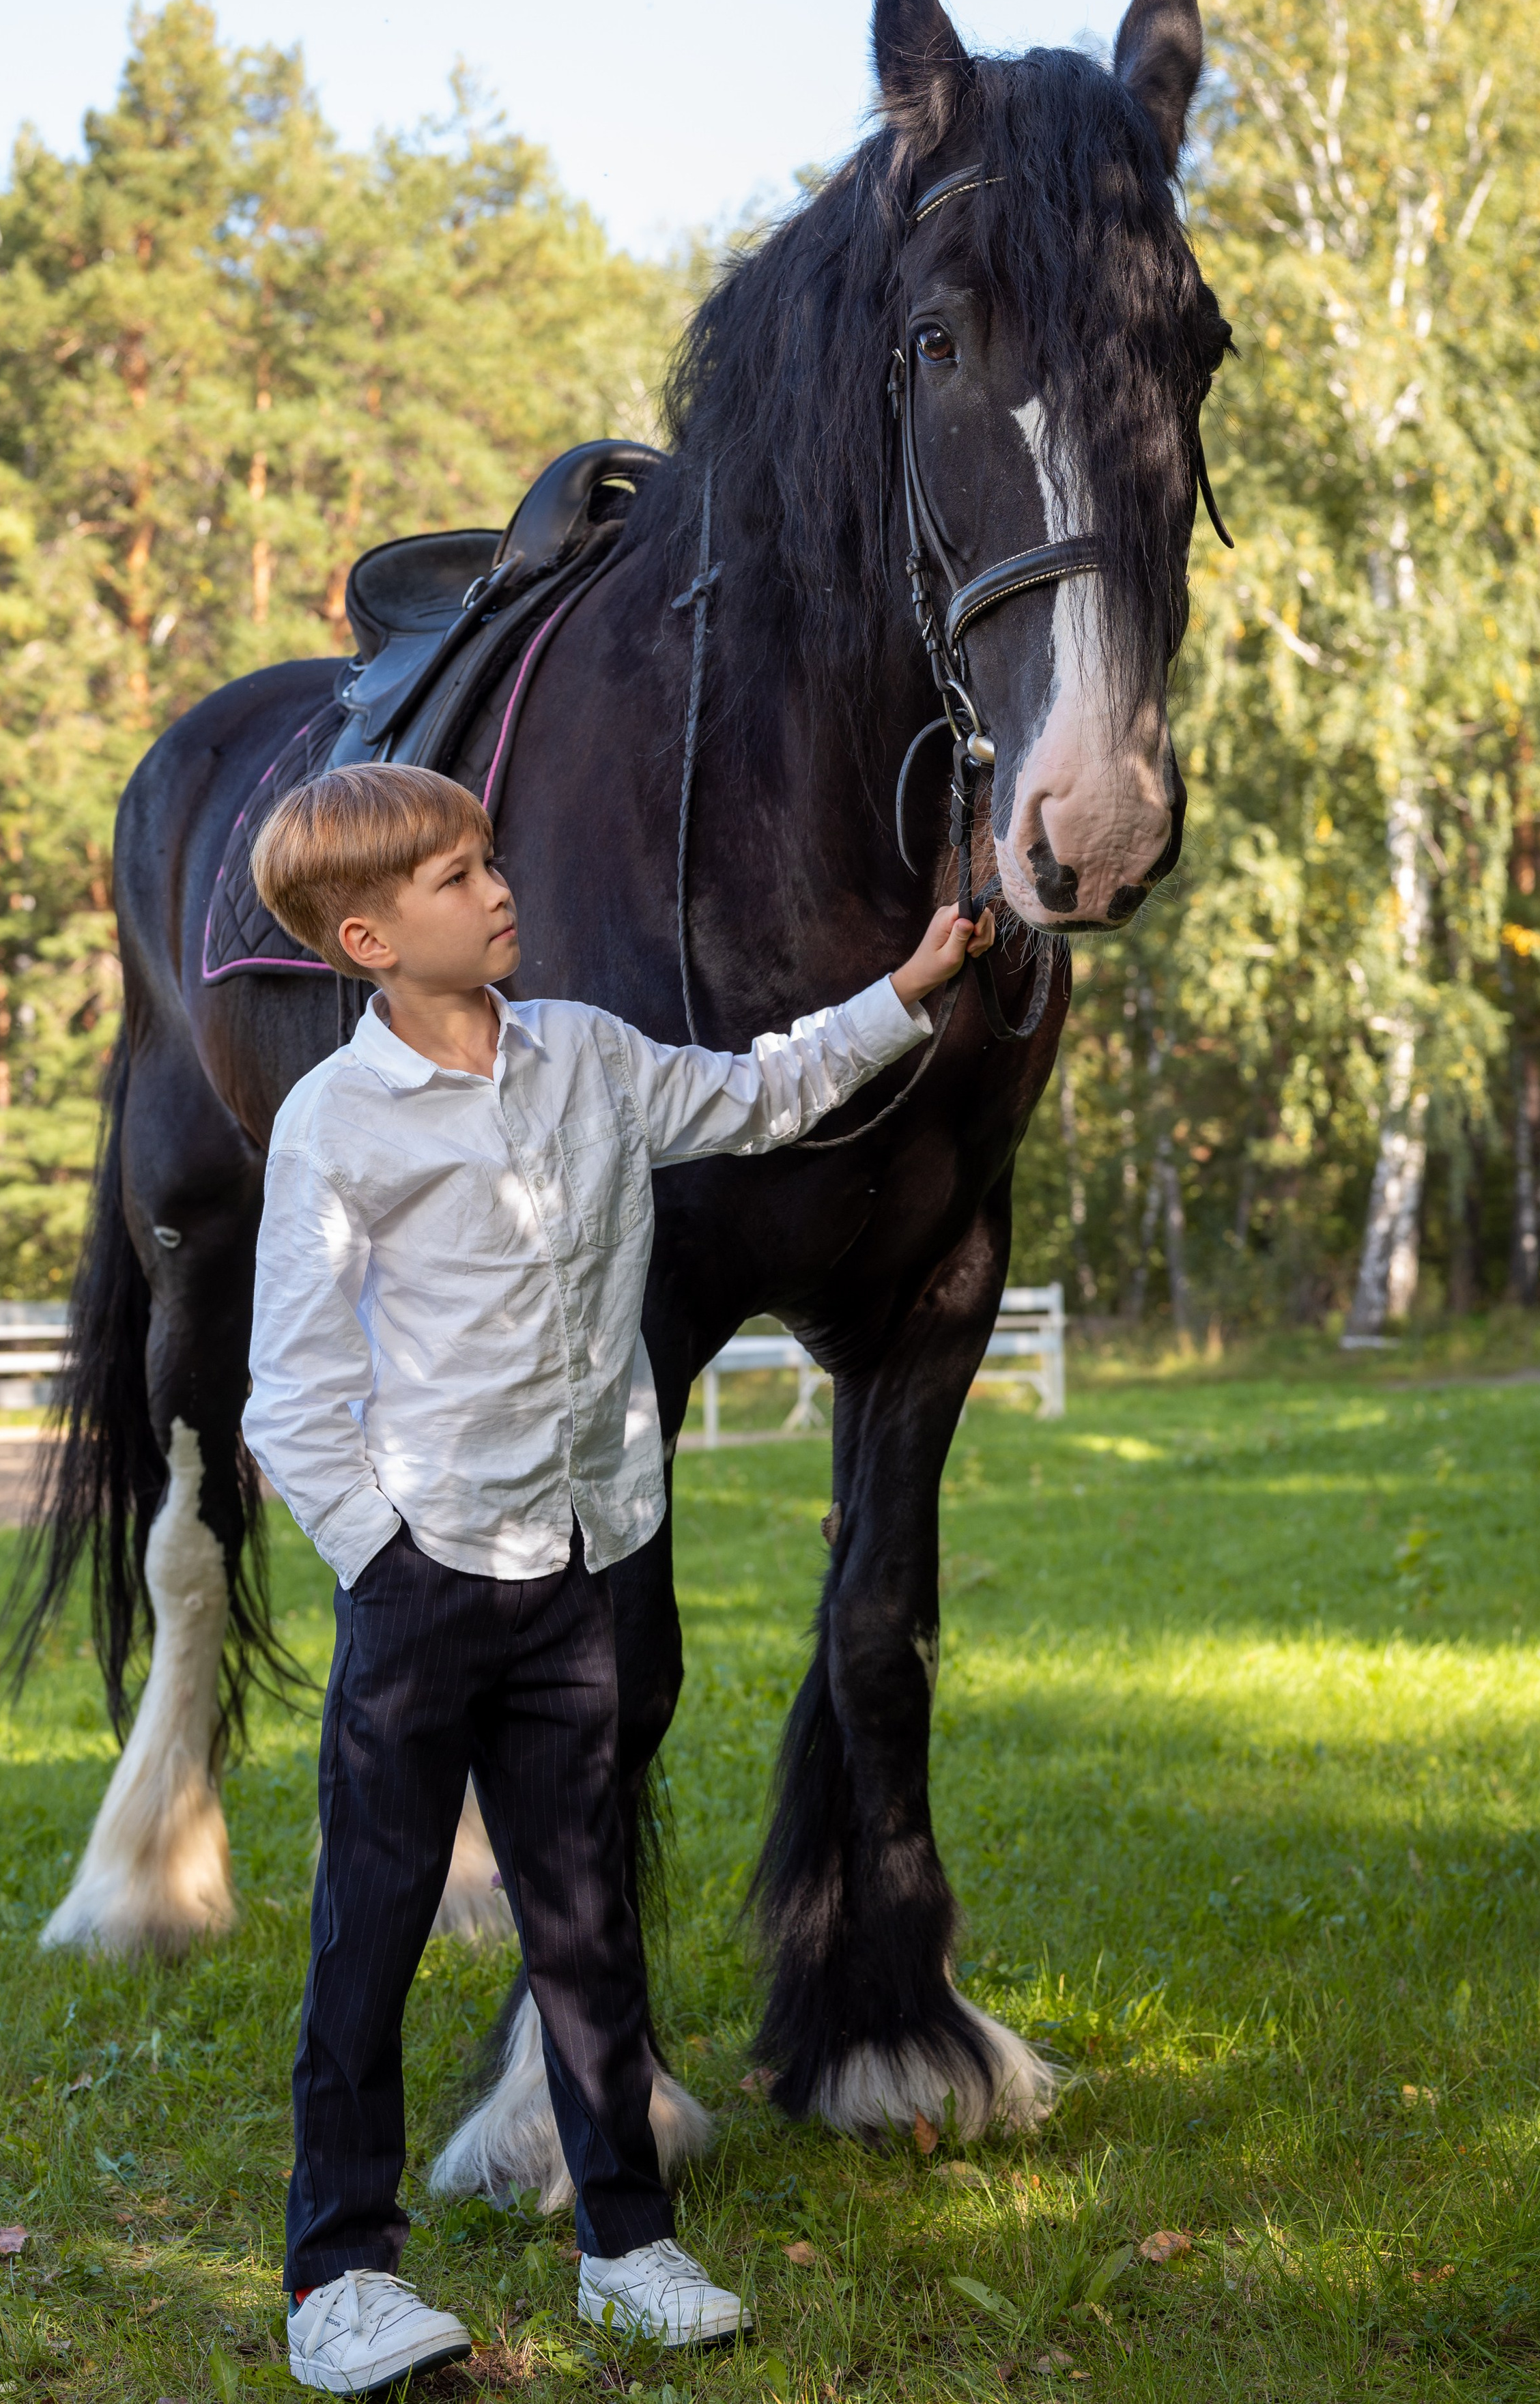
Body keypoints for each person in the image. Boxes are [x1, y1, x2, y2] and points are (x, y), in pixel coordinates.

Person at [243, 762, 987, 2394]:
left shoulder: (585, 1056)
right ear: (368, 934)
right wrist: (388, 1564)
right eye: (452, 876)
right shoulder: (337, 1123)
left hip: (587, 1565)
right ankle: (338, 2276)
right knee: (365, 1935)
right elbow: (289, 1392)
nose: (496, 886)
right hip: (428, 1584)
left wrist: (905, 994)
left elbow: (760, 1091)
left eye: (489, 855)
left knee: (585, 1927)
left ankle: (626, 2243)